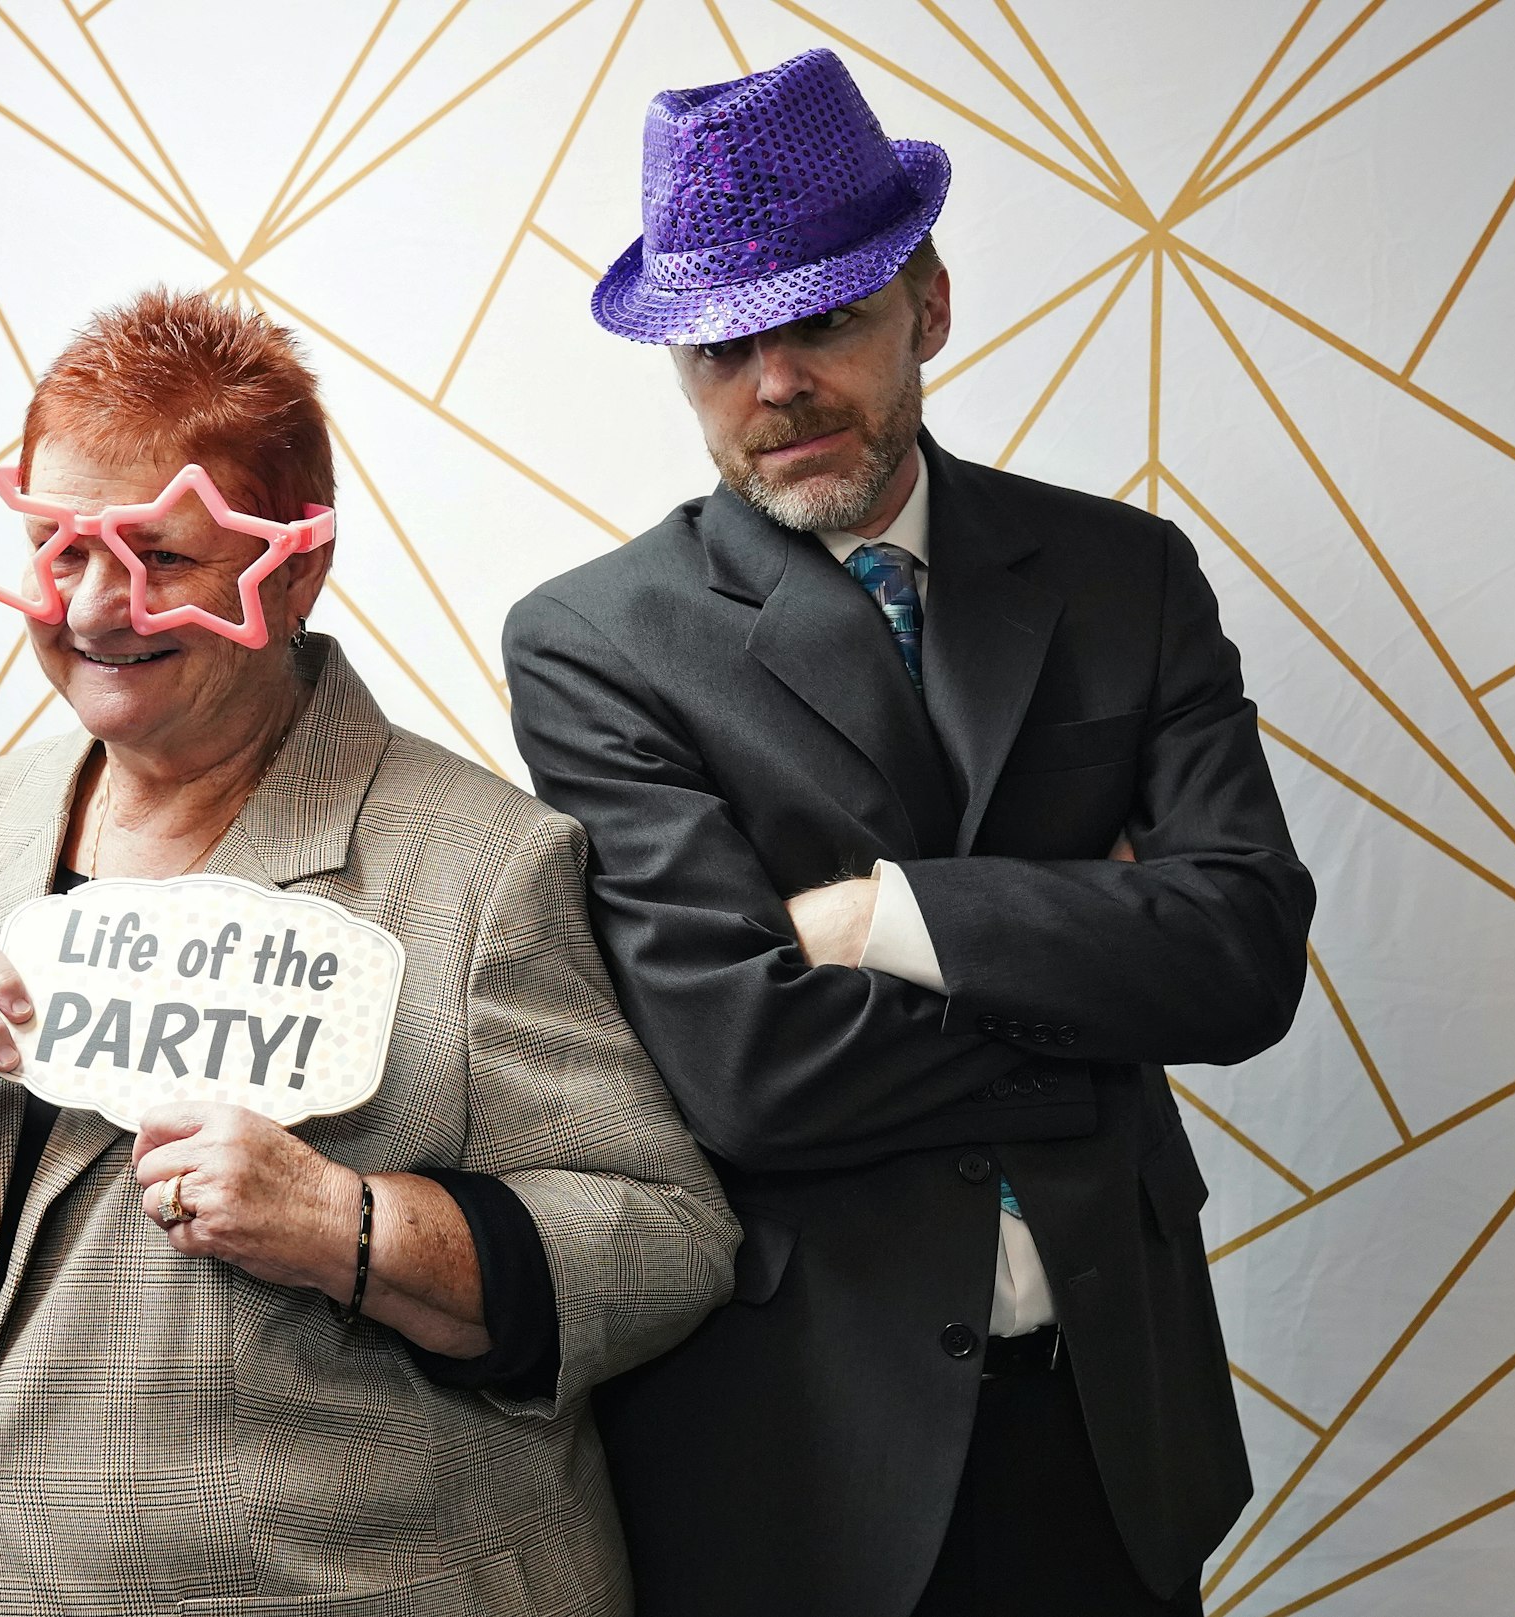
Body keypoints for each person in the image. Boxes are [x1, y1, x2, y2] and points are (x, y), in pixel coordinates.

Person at [0, 288, 736, 1617]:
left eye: (157, 554)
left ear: (294, 570)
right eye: (58, 546)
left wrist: (347, 1224)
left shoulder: (483, 869)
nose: (93, 606)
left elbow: (665, 1244)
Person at [503, 49, 1316, 1617]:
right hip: (804, 1449)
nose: (775, 384)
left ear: (925, 306)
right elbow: (746, 1063)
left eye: (823, 321)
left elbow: (1241, 956)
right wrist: (1092, 977)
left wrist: (888, 922)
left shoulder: (1126, 577)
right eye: (722, 347)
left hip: (1116, 1427)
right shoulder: (596, 643)